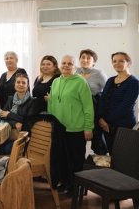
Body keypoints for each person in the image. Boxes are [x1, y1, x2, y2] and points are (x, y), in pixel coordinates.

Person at [48, 55, 93, 193]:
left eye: (70, 63)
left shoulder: (81, 82)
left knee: (76, 160)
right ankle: (66, 183)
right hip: (59, 129)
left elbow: (88, 107)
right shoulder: (56, 81)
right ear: (60, 65)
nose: (66, 65)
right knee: (62, 159)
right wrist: (51, 124)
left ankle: (76, 188)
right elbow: (51, 103)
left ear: (75, 66)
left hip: (76, 129)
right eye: (64, 63)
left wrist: (88, 127)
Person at [98, 52, 139, 152]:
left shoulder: (134, 82)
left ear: (128, 63)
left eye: (121, 61)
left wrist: (106, 121)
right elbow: (102, 100)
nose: (117, 63)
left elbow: (126, 106)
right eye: (114, 61)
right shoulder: (110, 80)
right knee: (112, 154)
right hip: (106, 126)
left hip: (124, 126)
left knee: (124, 157)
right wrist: (100, 118)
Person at [76, 49, 108, 155]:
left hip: (94, 111)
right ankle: (78, 169)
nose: (85, 60)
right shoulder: (75, 72)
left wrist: (103, 116)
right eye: (83, 57)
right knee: (78, 143)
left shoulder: (99, 74)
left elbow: (107, 94)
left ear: (94, 61)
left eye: (88, 58)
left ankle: (100, 168)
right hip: (77, 113)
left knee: (97, 142)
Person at [0, 73, 36, 153]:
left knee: (4, 149)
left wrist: (9, 114)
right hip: (6, 134)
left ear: (28, 85)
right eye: (18, 82)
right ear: (14, 84)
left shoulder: (32, 101)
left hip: (21, 137)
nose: (20, 84)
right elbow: (2, 116)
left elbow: (27, 122)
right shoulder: (10, 99)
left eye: (23, 83)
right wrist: (15, 123)